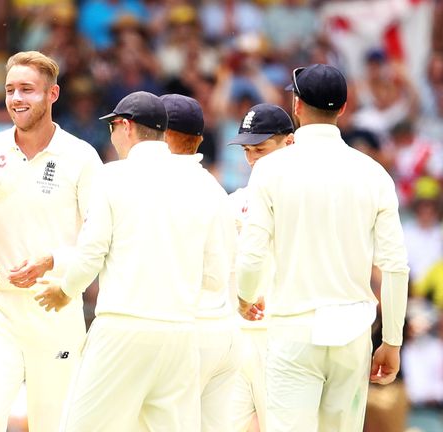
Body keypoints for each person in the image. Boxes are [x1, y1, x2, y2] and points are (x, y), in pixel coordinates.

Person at [34, 91, 233, 430]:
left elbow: (92, 251)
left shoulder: (113, 176)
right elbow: (215, 276)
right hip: (181, 333)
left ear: (125, 126)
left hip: (122, 328)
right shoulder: (204, 185)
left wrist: (65, 291)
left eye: (113, 127)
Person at [236, 64, 410, 431]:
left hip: (293, 330)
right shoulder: (373, 173)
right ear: (343, 108)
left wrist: (246, 295)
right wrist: (391, 340)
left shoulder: (271, 170)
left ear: (296, 105)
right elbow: (395, 266)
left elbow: (252, 253)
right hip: (352, 331)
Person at [0, 50, 102, 431]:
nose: (17, 98)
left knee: (53, 424)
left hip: (56, 306)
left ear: (52, 94)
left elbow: (98, 239)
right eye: (10, 90)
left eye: (27, 90)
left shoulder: (81, 156)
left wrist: (51, 260)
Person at [160, 93, 241, 432]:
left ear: (162, 134)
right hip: (224, 331)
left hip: (184, 329)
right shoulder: (214, 187)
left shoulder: (160, 185)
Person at [224, 102, 295, 432]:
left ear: (289, 143)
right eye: (248, 150)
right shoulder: (234, 200)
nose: (252, 159)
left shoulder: (305, 199)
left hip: (283, 336)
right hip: (235, 337)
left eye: (261, 149)